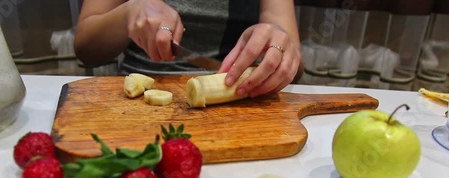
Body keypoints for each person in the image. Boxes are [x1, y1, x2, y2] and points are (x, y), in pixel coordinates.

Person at [74, 0, 303, 98]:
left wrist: (280, 44)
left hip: (239, 99)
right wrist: (129, 12)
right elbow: (85, 46)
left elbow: (296, 64)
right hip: (136, 102)